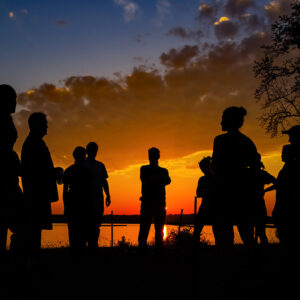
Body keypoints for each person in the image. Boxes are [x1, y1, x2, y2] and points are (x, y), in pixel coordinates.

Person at [211, 106, 258, 254]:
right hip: (243, 194)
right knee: (247, 234)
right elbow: (255, 168)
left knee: (223, 235)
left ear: (229, 120)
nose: (220, 122)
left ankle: (226, 267)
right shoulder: (247, 142)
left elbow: (215, 167)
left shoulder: (220, 141)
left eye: (223, 119)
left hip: (224, 193)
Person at [21, 112, 59, 266]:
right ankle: (31, 262)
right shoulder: (33, 143)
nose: (47, 126)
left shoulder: (36, 142)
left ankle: (33, 260)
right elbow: (35, 171)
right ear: (37, 125)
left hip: (38, 194)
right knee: (34, 230)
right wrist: (53, 172)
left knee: (35, 230)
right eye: (44, 123)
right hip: (36, 195)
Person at [0, 84, 22, 258]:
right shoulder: (2, 119)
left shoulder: (7, 118)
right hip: (5, 184)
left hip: (10, 181)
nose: (16, 102)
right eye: (13, 98)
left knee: (21, 225)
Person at [63, 146, 95, 256]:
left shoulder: (84, 172)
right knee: (75, 234)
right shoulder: (71, 171)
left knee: (78, 235)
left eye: (83, 154)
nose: (83, 156)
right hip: (75, 207)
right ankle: (77, 257)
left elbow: (90, 191)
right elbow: (65, 191)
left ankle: (78, 256)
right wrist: (66, 206)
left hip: (82, 207)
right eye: (82, 154)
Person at [138, 147, 171, 251]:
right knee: (144, 228)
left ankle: (158, 250)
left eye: (153, 154)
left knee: (159, 229)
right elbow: (147, 179)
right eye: (150, 155)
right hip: (148, 203)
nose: (151, 157)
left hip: (159, 204)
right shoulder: (144, 169)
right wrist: (159, 179)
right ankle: (142, 250)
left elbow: (168, 180)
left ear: (158, 156)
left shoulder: (163, 170)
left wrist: (155, 179)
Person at [84, 142, 111, 248]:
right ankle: (86, 245)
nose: (93, 152)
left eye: (95, 150)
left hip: (98, 198)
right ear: (87, 151)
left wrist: (108, 194)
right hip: (85, 200)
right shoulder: (83, 164)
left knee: (96, 223)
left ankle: (93, 245)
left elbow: (104, 181)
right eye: (91, 150)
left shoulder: (100, 165)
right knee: (86, 223)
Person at [250, 153, 276, 246]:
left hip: (253, 205)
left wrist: (265, 190)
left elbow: (277, 182)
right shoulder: (261, 173)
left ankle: (260, 254)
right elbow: (276, 182)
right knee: (259, 233)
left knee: (258, 233)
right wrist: (265, 190)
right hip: (256, 205)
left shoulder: (250, 173)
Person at [194, 156, 215, 244]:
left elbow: (199, 193)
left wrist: (206, 191)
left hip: (212, 207)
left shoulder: (213, 179)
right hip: (206, 206)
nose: (202, 170)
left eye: (203, 168)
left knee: (216, 230)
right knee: (197, 230)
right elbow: (198, 193)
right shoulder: (202, 179)